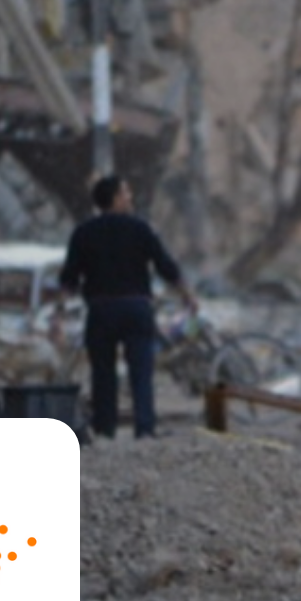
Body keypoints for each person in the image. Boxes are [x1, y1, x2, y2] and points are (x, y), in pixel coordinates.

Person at [54, 175, 197, 440]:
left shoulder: (84, 232)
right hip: (136, 308)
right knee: (141, 370)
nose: (130, 198)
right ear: (116, 198)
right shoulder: (140, 229)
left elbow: (69, 278)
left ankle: (105, 428)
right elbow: (165, 265)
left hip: (101, 310)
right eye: (126, 193)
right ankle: (144, 428)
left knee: (102, 372)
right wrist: (187, 295)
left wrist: (58, 315)